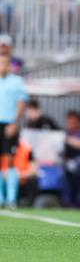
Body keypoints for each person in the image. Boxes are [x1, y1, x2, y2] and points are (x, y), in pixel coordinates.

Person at [0, 53, 28, 208]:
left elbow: (21, 103)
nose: (2, 66)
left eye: (5, 63)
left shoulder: (16, 82)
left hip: (9, 123)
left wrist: (15, 122)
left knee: (9, 160)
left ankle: (11, 199)